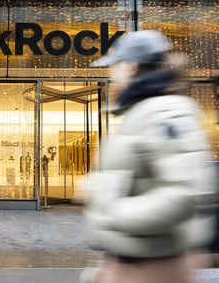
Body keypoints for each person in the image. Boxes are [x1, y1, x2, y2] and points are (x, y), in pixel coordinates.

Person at [81, 31, 218, 283]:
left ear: (131, 66)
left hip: (154, 266)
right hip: (132, 260)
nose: (111, 72)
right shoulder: (140, 110)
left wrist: (112, 211)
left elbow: (185, 193)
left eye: (115, 65)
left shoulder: (164, 113)